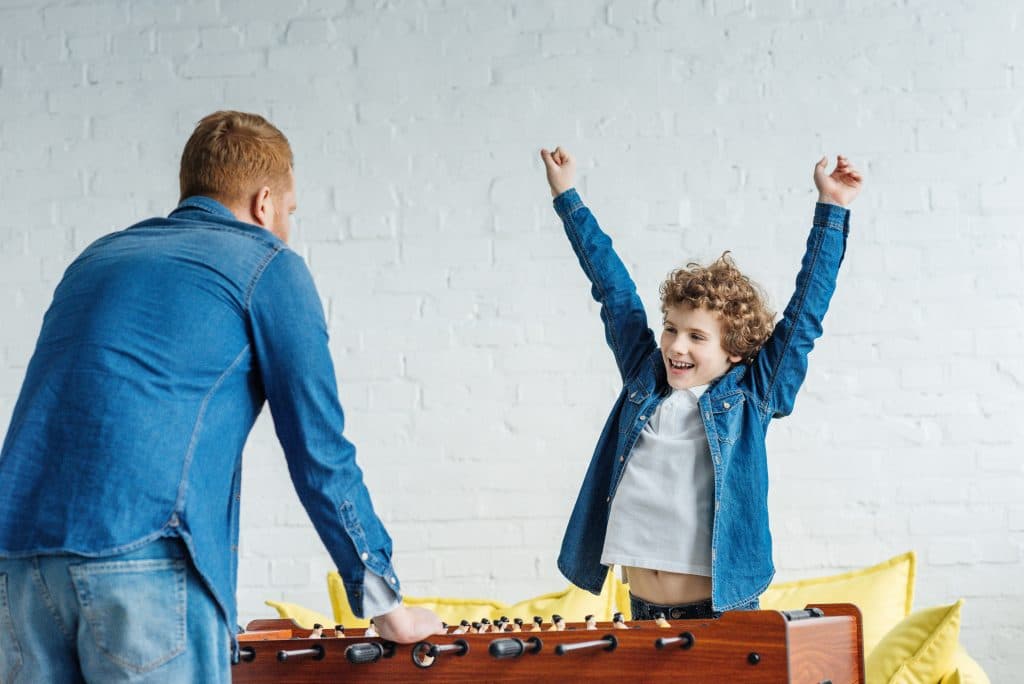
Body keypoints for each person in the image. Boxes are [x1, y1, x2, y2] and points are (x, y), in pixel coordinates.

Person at [0, 110, 441, 683]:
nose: (286, 226)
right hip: (141, 557)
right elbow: (318, 450)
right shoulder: (267, 263)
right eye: (289, 213)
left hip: (17, 561)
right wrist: (385, 602)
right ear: (264, 204)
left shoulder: (94, 260)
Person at [539, 146, 862, 622]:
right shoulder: (643, 381)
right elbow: (614, 291)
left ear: (733, 350)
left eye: (696, 336)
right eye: (671, 328)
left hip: (719, 612)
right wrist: (567, 195)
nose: (675, 346)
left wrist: (832, 208)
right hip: (642, 610)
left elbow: (804, 316)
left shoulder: (752, 396)